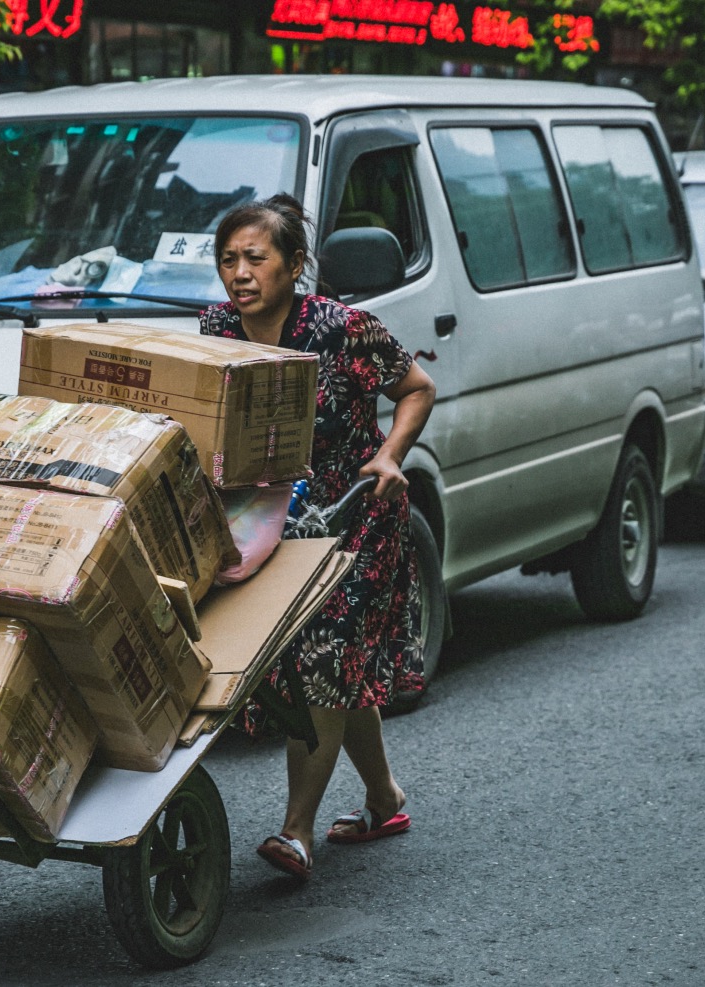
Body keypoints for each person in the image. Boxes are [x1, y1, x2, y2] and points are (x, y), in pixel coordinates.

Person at [200, 193, 437, 880]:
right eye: (227, 260)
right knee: (338, 669)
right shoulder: (216, 328)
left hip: (355, 518)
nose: (239, 273)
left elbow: (417, 388)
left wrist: (389, 453)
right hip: (270, 523)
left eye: (255, 258)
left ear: (294, 265)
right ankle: (385, 798)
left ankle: (295, 831)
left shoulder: (345, 329)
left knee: (326, 656)